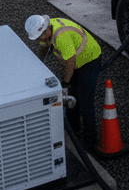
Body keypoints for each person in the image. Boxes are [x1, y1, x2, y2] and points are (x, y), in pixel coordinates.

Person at [25, 14, 102, 146]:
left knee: (85, 102)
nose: (40, 40)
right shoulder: (48, 28)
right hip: (78, 62)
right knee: (72, 97)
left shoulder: (62, 37)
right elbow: (43, 48)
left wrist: (66, 83)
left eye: (40, 37)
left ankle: (91, 141)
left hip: (89, 61)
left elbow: (70, 62)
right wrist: (37, 66)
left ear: (46, 29)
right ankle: (73, 131)